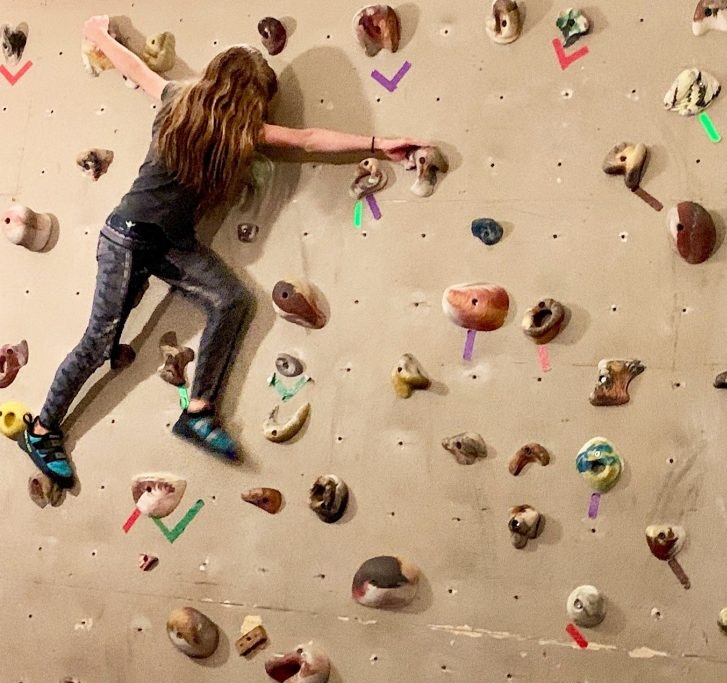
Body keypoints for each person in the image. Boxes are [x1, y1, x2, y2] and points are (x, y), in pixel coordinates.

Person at [20, 15, 429, 489]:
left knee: (232, 300)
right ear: (249, 93)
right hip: (128, 235)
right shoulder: (182, 103)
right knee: (98, 341)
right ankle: (43, 429)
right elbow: (136, 69)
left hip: (170, 242)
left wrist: (379, 146)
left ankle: (197, 412)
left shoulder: (236, 129)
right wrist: (96, 36)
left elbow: (308, 140)